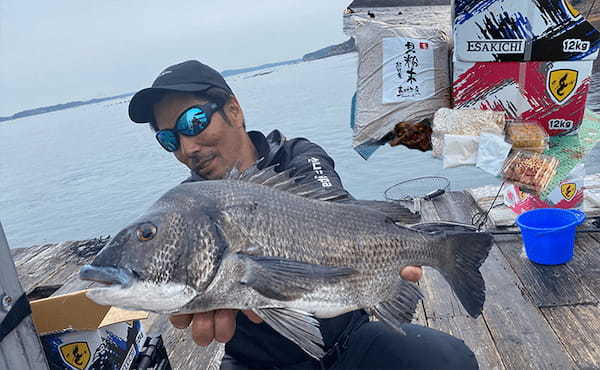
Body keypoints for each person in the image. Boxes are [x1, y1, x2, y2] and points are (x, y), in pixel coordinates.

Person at [127, 60, 479, 370]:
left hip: (347, 341)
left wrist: (394, 248)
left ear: (234, 110)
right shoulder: (189, 210)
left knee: (451, 360)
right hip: (256, 363)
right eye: (169, 139)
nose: (187, 147)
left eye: (194, 121)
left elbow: (335, 209)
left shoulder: (296, 155)